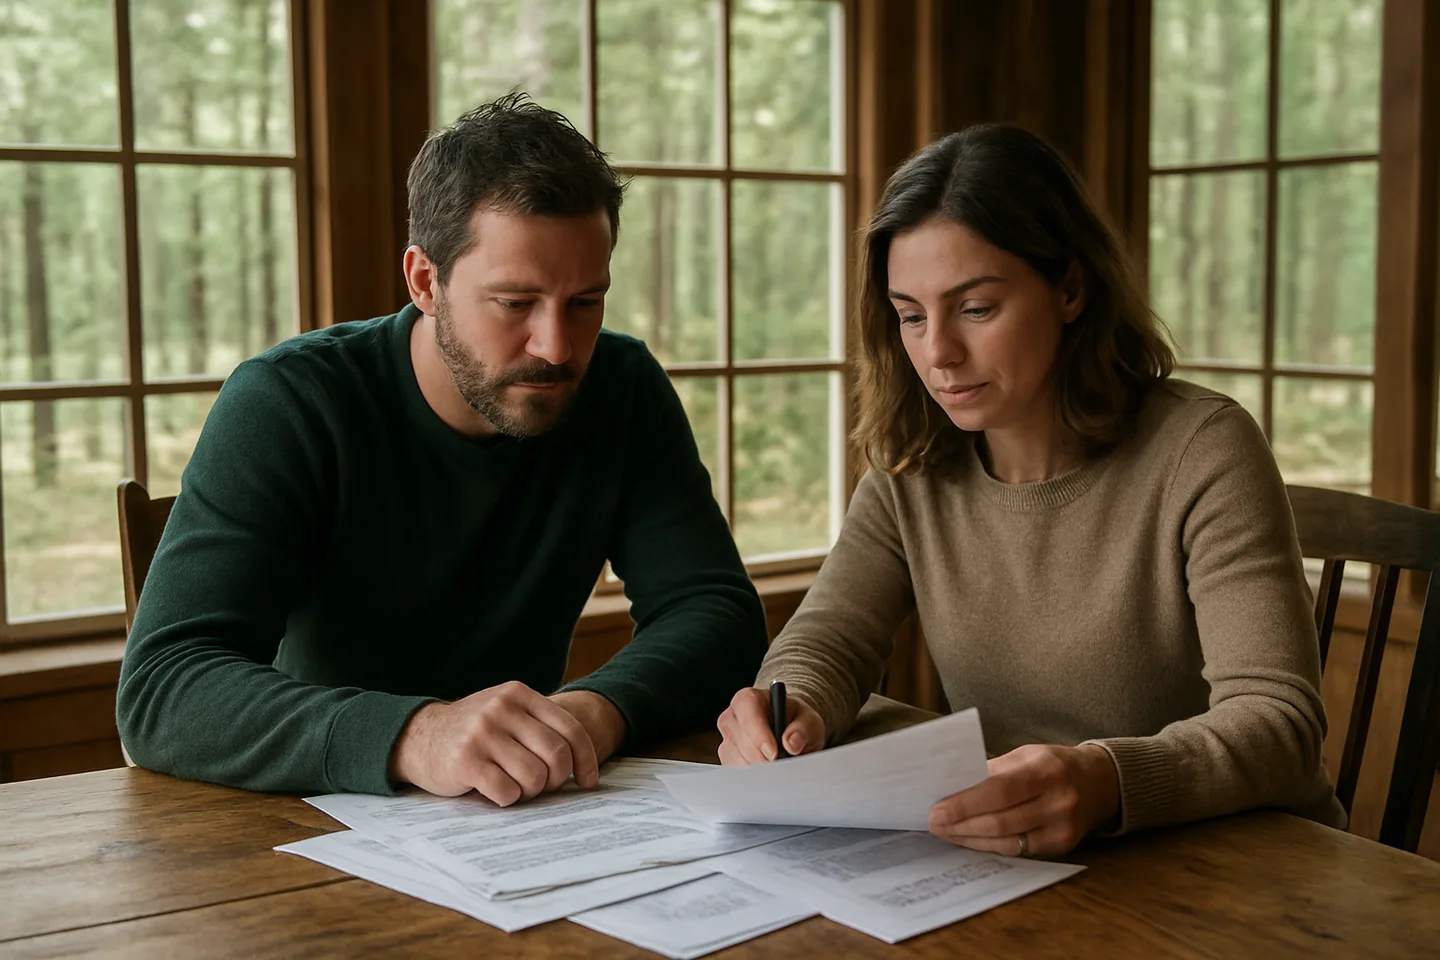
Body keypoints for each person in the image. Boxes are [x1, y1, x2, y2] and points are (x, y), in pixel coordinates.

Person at [716, 123, 1345, 858]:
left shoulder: (1202, 449)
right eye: (911, 317)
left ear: (1071, 288)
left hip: (1237, 866)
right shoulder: (911, 468)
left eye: (976, 308)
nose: (939, 354)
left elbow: (1279, 723)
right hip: (1027, 866)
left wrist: (1106, 778)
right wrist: (790, 705)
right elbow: (832, 637)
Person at [117, 93, 767, 803]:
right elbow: (161, 689)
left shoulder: (622, 386)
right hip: (313, 822)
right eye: (515, 303)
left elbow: (716, 613)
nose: (556, 346)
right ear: (426, 281)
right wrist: (416, 736)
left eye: (585, 302)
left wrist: (593, 713)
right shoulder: (289, 402)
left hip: (529, 814)